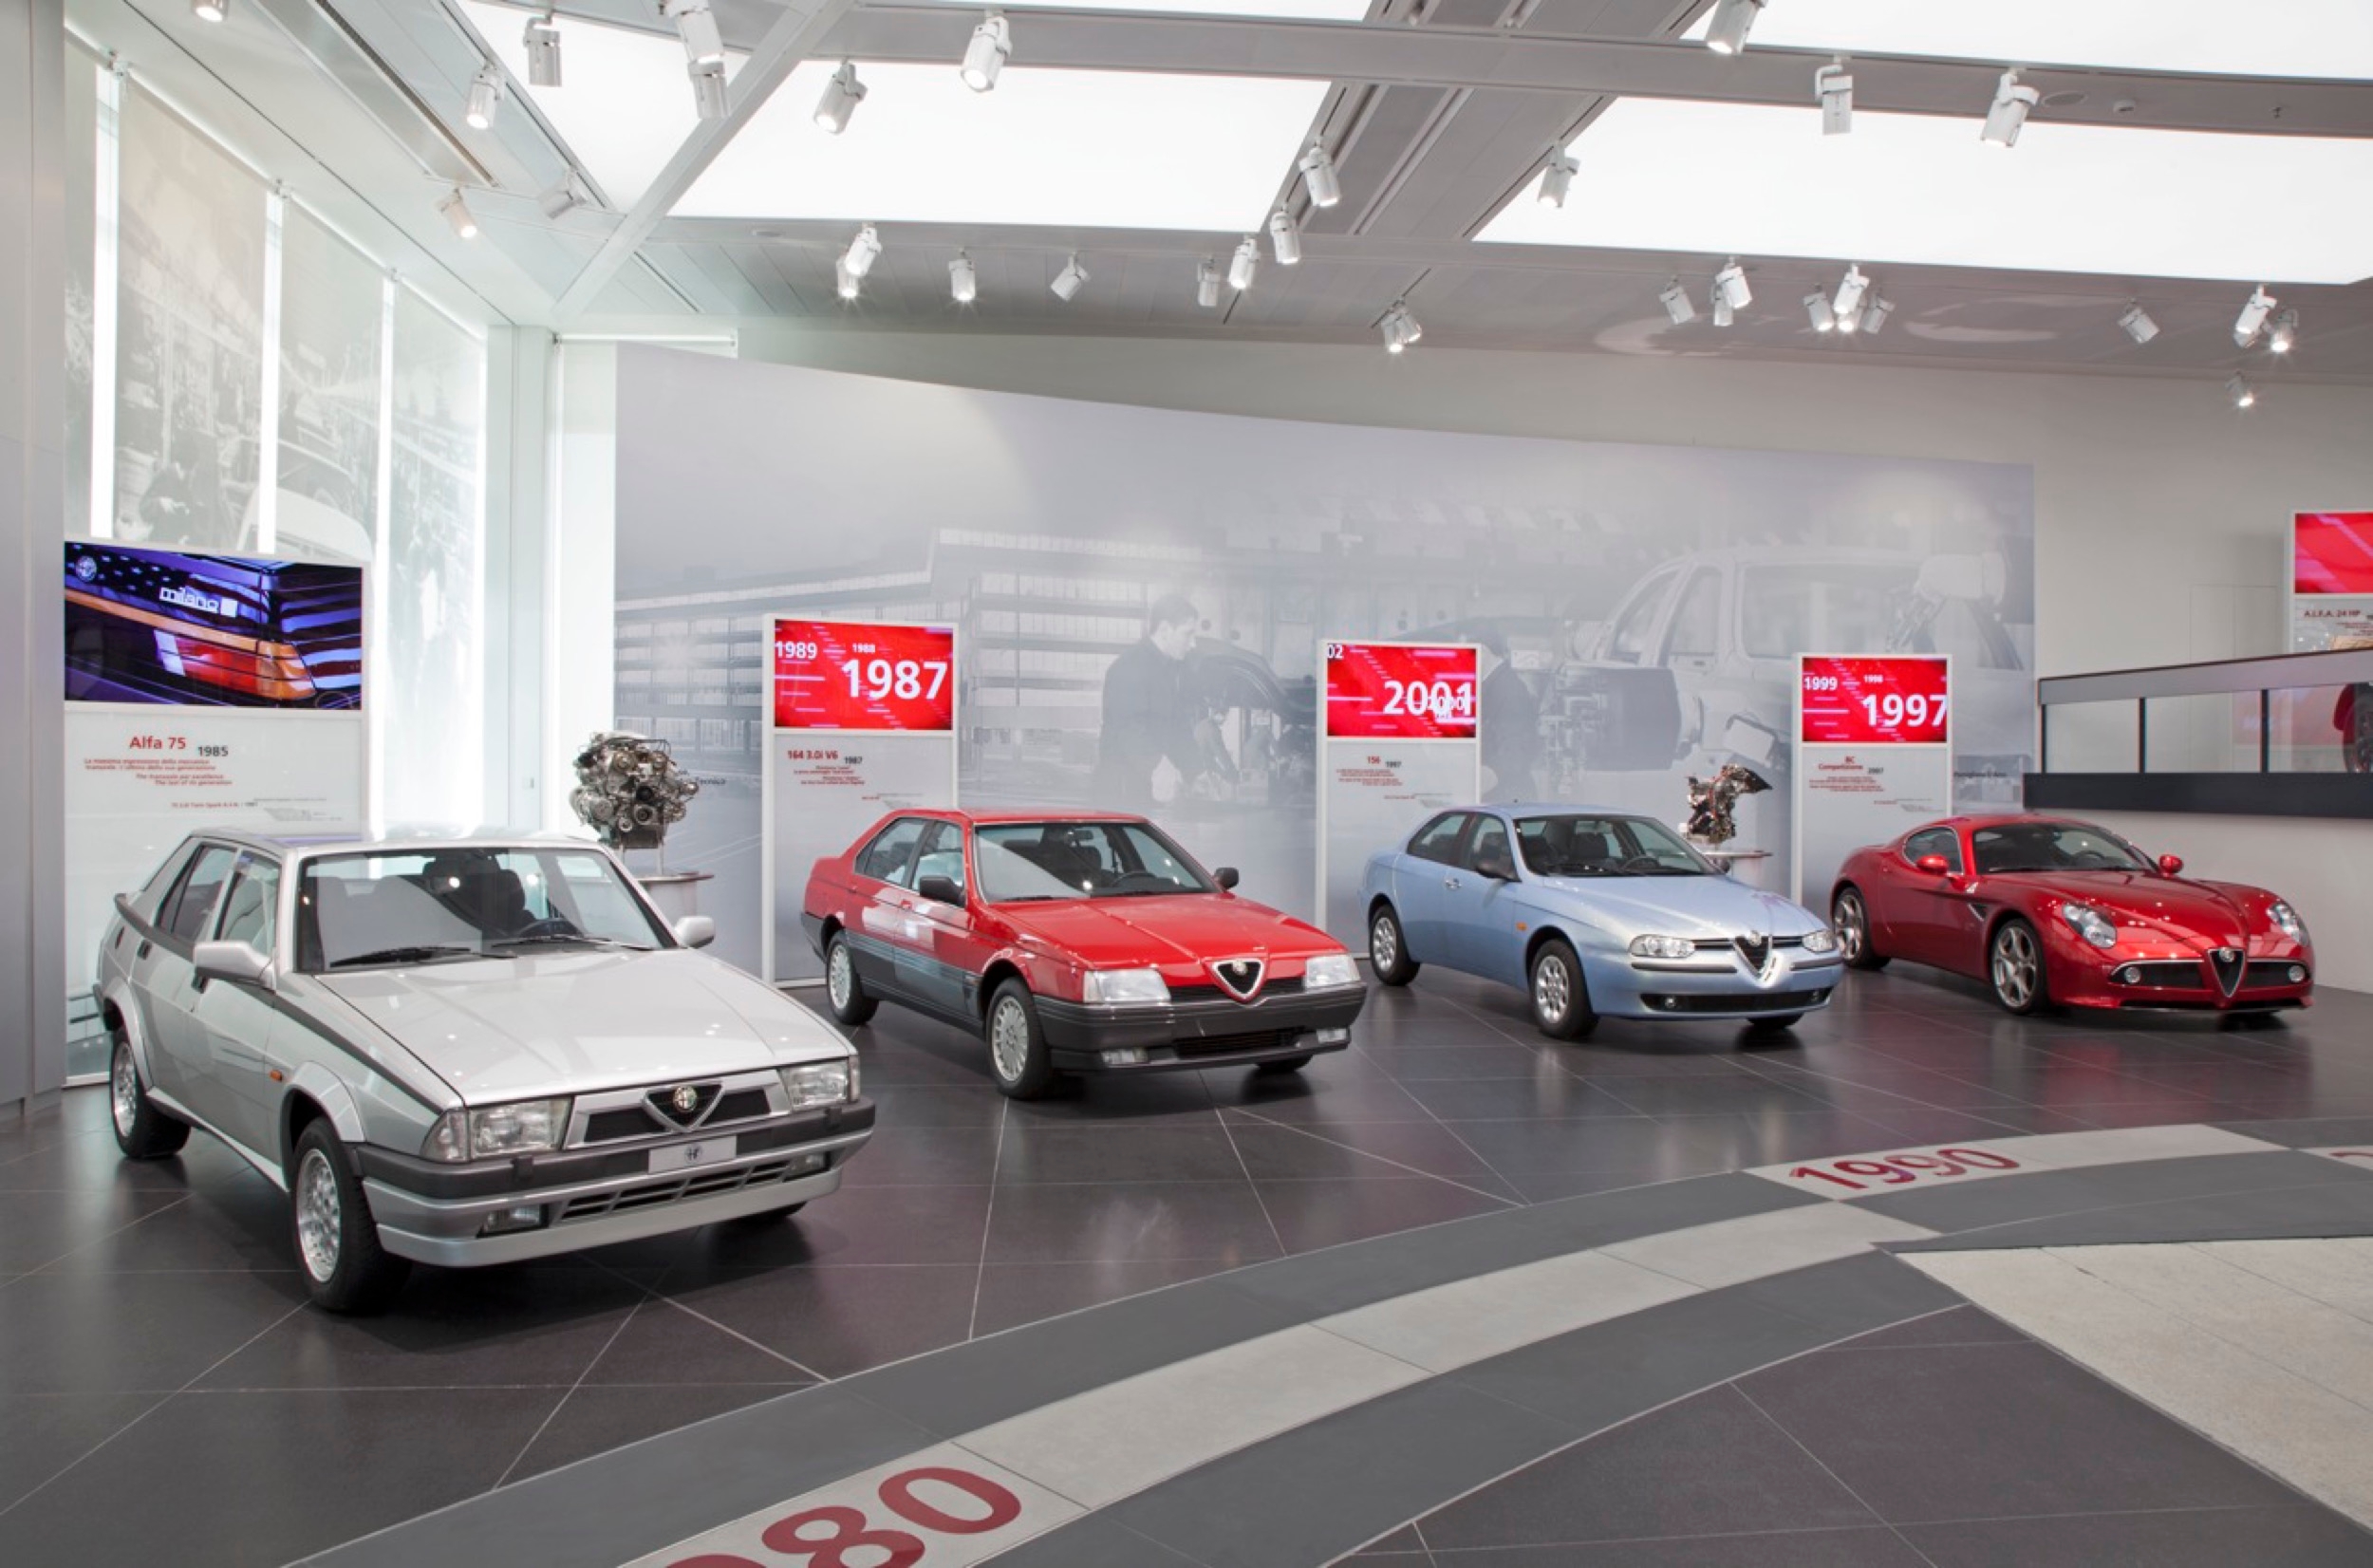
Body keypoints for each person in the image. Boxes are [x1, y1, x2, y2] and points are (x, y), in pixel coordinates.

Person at [1093, 593, 1209, 808]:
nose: (1193, 643)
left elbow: (1176, 727)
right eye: (1187, 634)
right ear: (1165, 629)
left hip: (1145, 788)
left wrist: (1196, 771)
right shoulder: (1130, 668)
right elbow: (1129, 729)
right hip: (1122, 792)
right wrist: (1158, 766)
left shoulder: (1166, 669)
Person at [1478, 628, 1541, 801]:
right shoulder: (1498, 684)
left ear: (1482, 651)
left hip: (1507, 796)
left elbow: (1517, 747)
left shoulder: (1508, 689)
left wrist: (1490, 774)